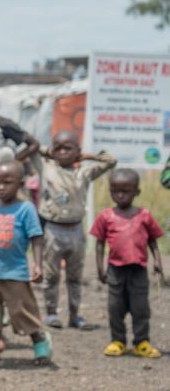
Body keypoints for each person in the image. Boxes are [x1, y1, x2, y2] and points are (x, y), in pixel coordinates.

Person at [0, 160, 52, 369]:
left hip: (15, 272)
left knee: (22, 313)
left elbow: (36, 237)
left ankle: (40, 341)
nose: (0, 187)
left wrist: (38, 264)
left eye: (7, 182)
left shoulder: (25, 209)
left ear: (20, 183)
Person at [38, 131, 116, 329]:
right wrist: (49, 152)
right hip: (53, 230)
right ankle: (52, 313)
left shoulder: (84, 172)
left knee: (75, 276)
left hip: (75, 230)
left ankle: (74, 315)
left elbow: (111, 161)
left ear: (77, 151)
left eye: (68, 148)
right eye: (58, 148)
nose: (63, 152)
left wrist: (87, 156)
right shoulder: (46, 168)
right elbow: (31, 148)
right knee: (51, 275)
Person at [91, 169, 164, 358]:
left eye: (126, 191)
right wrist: (100, 268)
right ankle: (117, 341)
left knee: (140, 307)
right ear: (110, 191)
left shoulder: (144, 215)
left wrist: (157, 261)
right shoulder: (106, 216)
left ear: (137, 192)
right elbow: (99, 244)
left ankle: (142, 342)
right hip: (115, 269)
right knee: (115, 307)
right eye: (115, 190)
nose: (120, 195)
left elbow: (153, 241)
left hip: (138, 269)